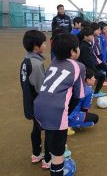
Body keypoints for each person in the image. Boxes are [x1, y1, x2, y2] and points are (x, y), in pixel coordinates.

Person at [34, 33, 85, 176]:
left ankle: (49, 157)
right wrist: (67, 113)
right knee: (58, 154)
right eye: (77, 47)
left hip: (38, 106)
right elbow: (79, 95)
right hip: (56, 111)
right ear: (72, 52)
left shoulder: (53, 62)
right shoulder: (78, 66)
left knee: (51, 139)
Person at [20, 30, 51, 169]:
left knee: (36, 128)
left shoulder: (26, 61)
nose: (46, 45)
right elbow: (41, 89)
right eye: (44, 43)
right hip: (39, 104)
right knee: (49, 129)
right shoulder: (36, 64)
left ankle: (36, 154)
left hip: (30, 102)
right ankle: (48, 160)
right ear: (35, 46)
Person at [78, 28, 107, 98]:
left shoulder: (87, 44)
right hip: (87, 68)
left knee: (105, 72)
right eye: (90, 35)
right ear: (85, 36)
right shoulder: (84, 46)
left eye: (92, 35)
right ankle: (94, 93)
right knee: (101, 76)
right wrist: (94, 71)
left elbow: (91, 56)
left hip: (93, 64)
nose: (92, 37)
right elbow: (86, 61)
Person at [68, 68, 99, 133]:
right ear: (87, 80)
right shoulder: (88, 90)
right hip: (70, 116)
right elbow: (84, 109)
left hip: (60, 113)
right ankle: (69, 125)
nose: (95, 79)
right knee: (95, 118)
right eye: (93, 77)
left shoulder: (73, 84)